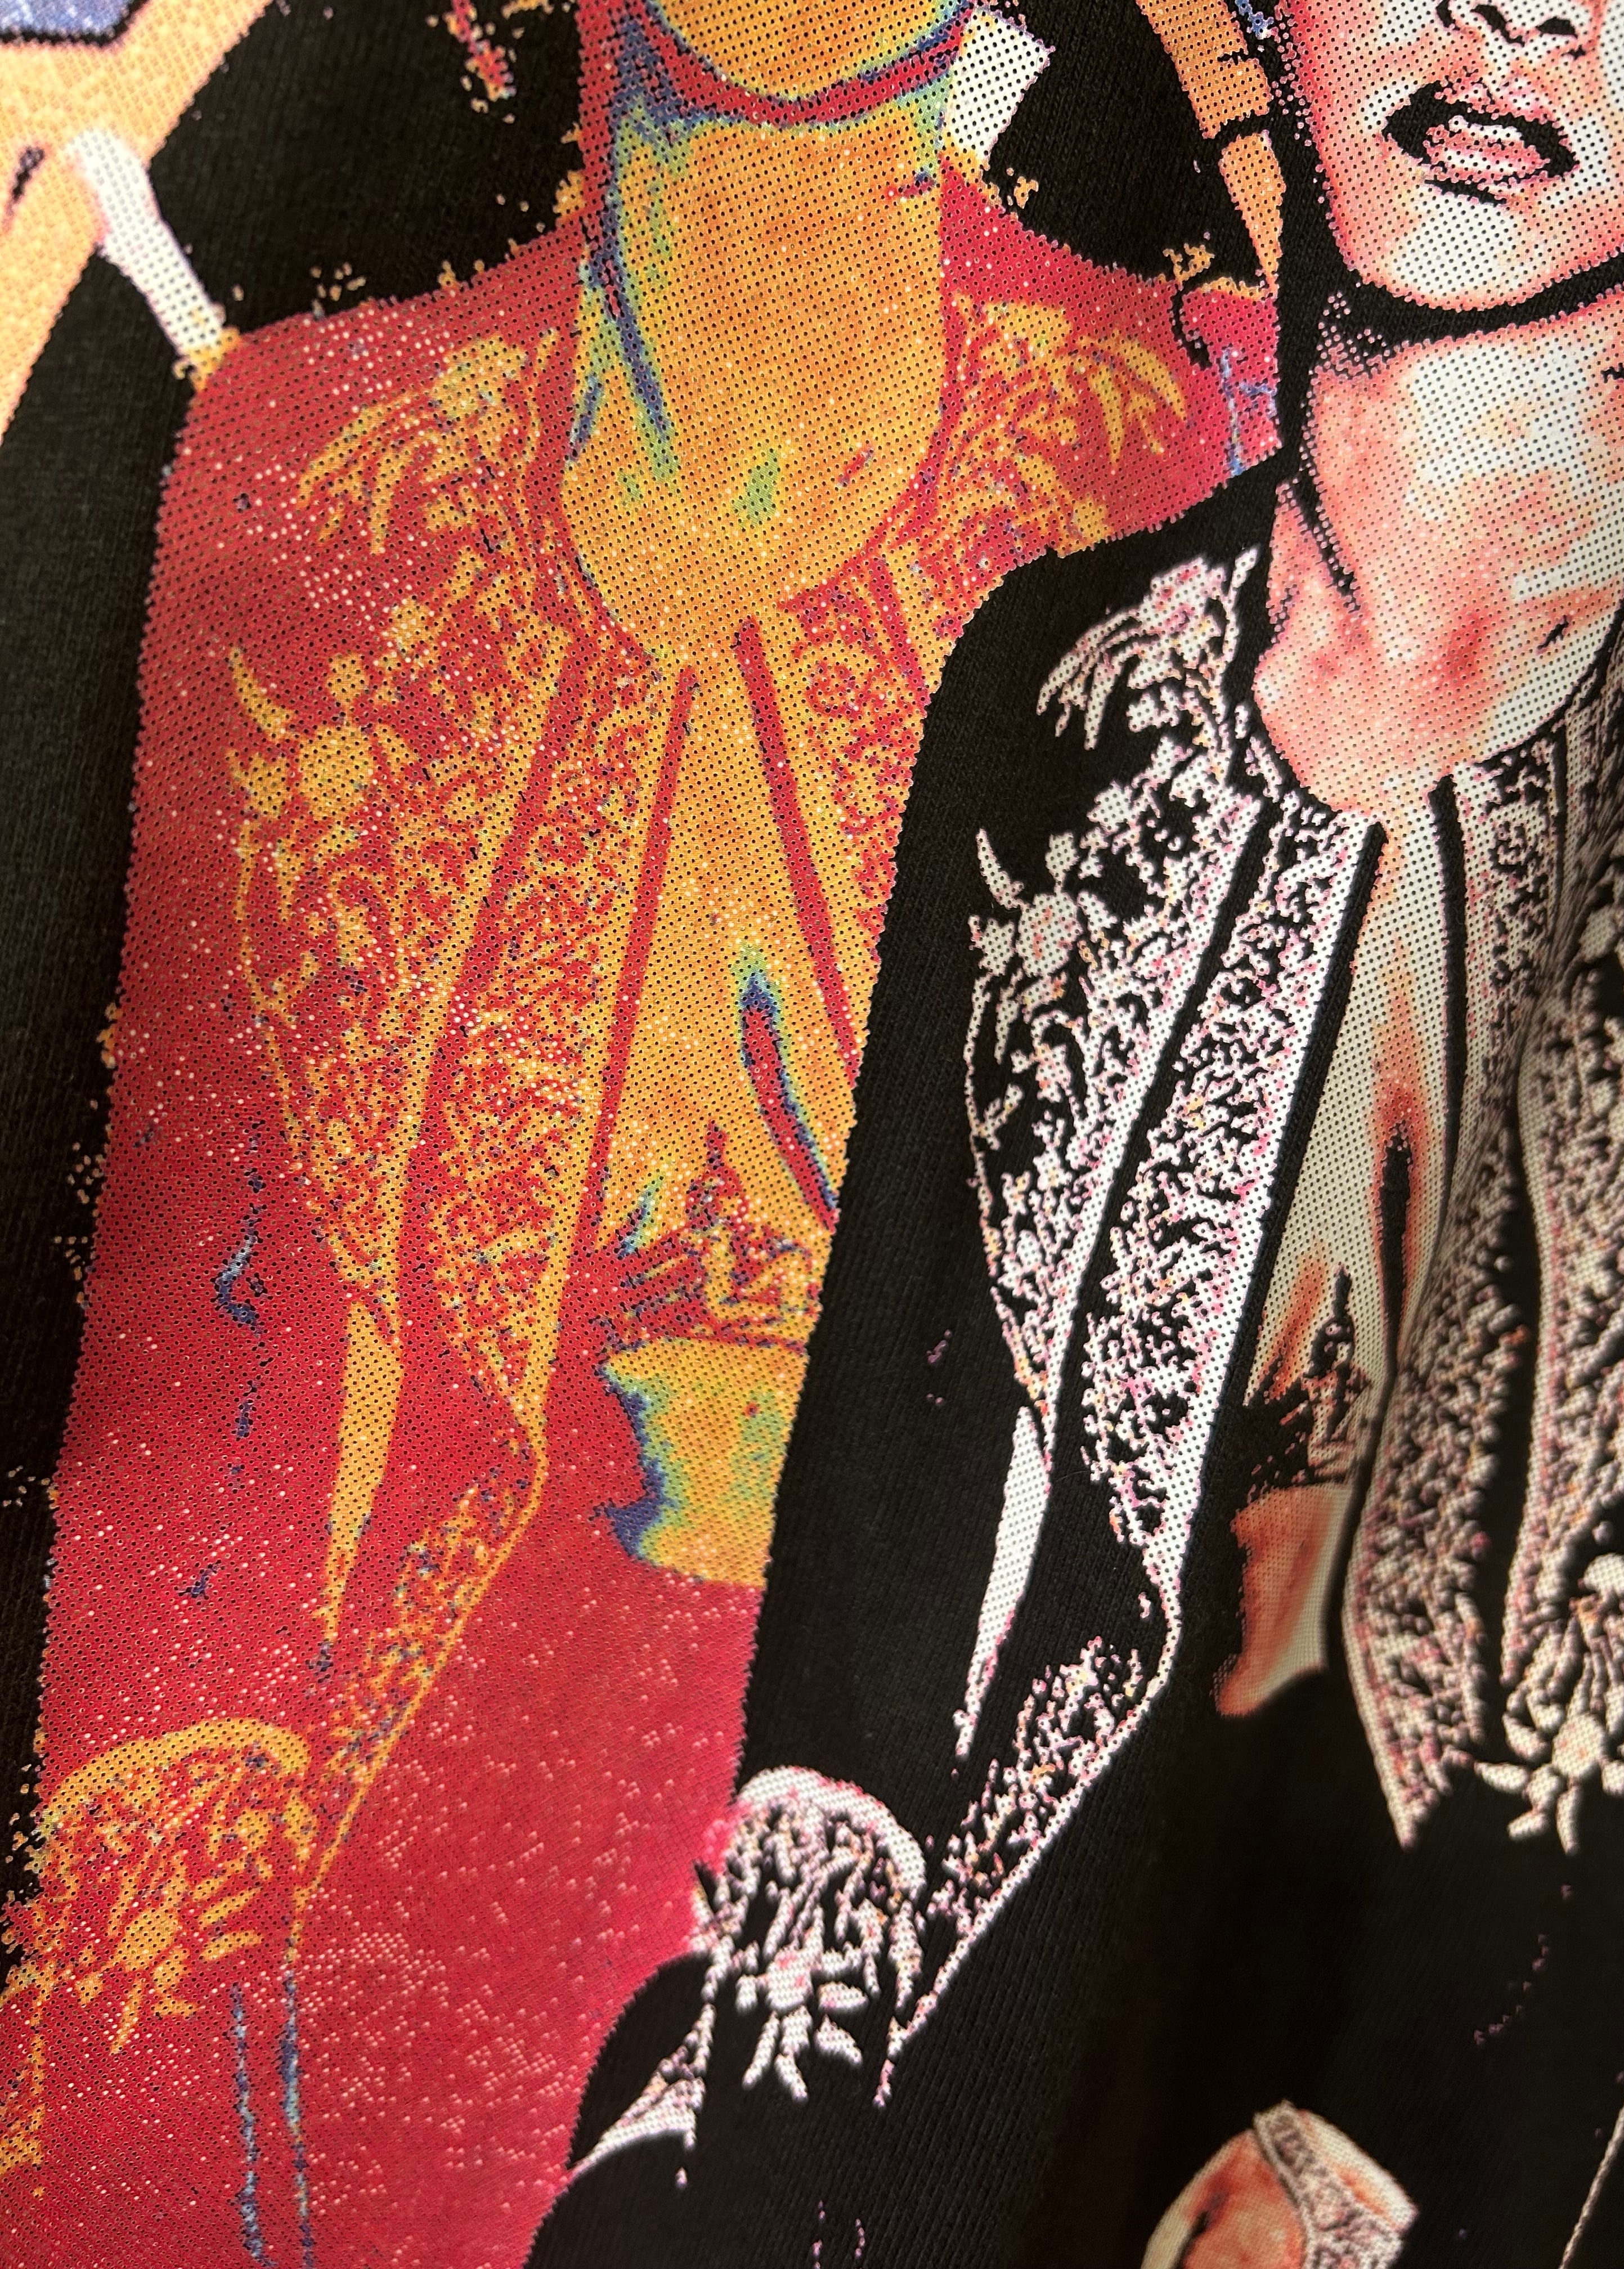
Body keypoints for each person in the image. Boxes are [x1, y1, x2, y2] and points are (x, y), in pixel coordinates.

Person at [1, 2, 1276, 2258]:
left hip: (976, 1938)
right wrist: (168, 2123)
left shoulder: (1200, 455)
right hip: (399, 1924)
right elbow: (213, 1451)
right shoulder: (311, 467)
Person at [549, 0, 1624, 2262]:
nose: (1515, 17)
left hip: (1582, 2021)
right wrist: (764, 2127)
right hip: (1041, 1985)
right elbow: (876, 1589)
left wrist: (1363, 2154)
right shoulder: (1053, 695)